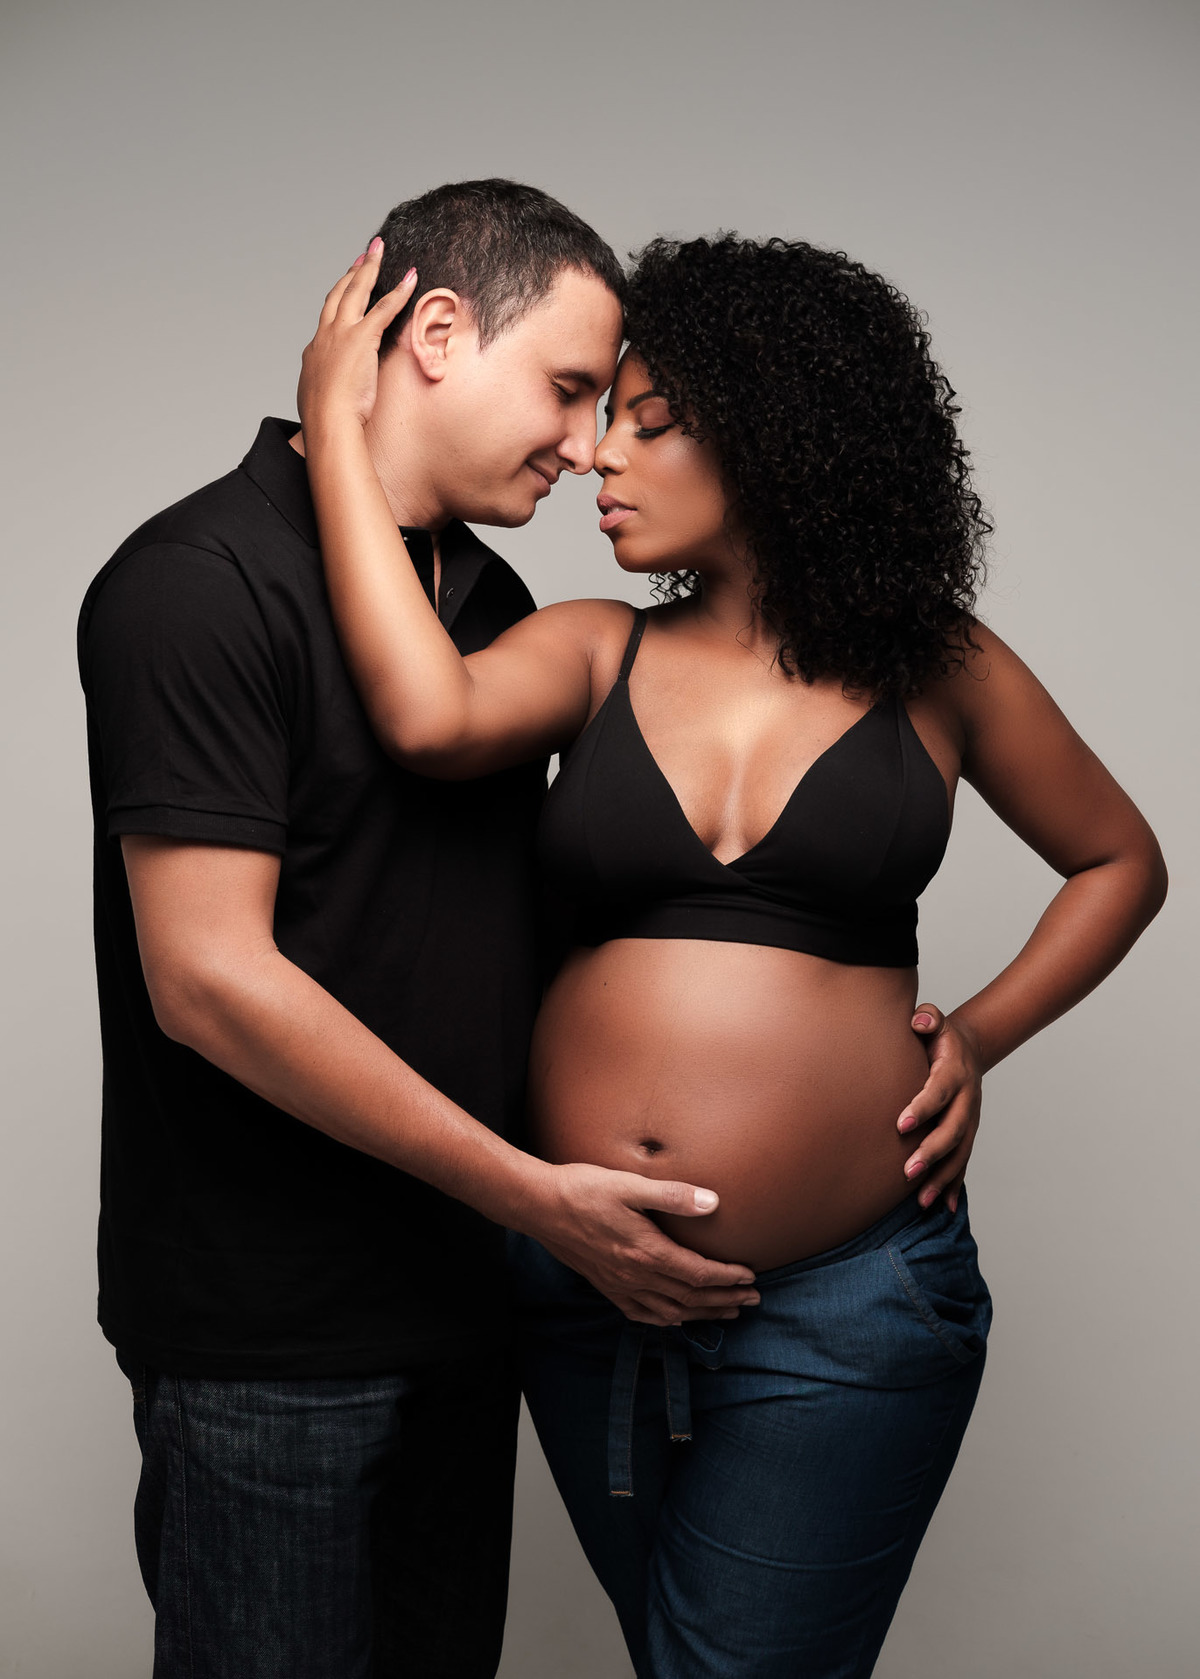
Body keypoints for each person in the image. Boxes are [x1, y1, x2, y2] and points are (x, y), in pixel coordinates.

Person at [296, 231, 1168, 1679]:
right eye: (595, 420)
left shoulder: (935, 666)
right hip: (582, 1288)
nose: (594, 460)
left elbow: (1120, 860)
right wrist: (337, 419)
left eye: (645, 424)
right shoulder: (592, 651)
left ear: (774, 443)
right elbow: (424, 717)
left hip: (849, 1299)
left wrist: (983, 1033)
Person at [76, 180, 791, 1679]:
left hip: (467, 1308)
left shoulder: (489, 602)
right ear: (440, 332)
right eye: (572, 388)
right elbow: (208, 981)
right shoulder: (195, 585)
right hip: (270, 1340)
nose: (590, 443)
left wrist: (899, 1031)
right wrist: (534, 1194)